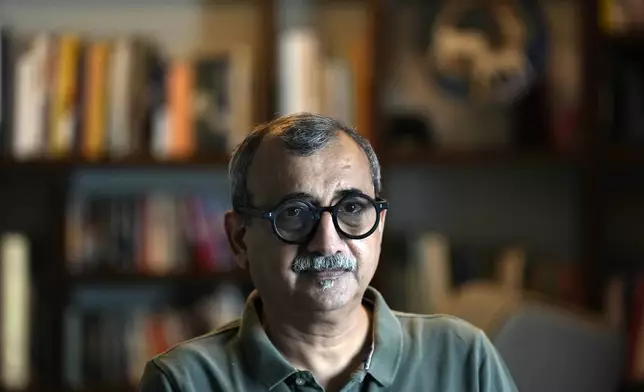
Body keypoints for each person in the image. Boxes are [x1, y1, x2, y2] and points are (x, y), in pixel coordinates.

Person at [137, 113, 518, 392]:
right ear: (240, 239)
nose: (327, 242)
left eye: (351, 208)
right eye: (294, 214)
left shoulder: (463, 359)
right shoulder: (184, 382)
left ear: (380, 227)